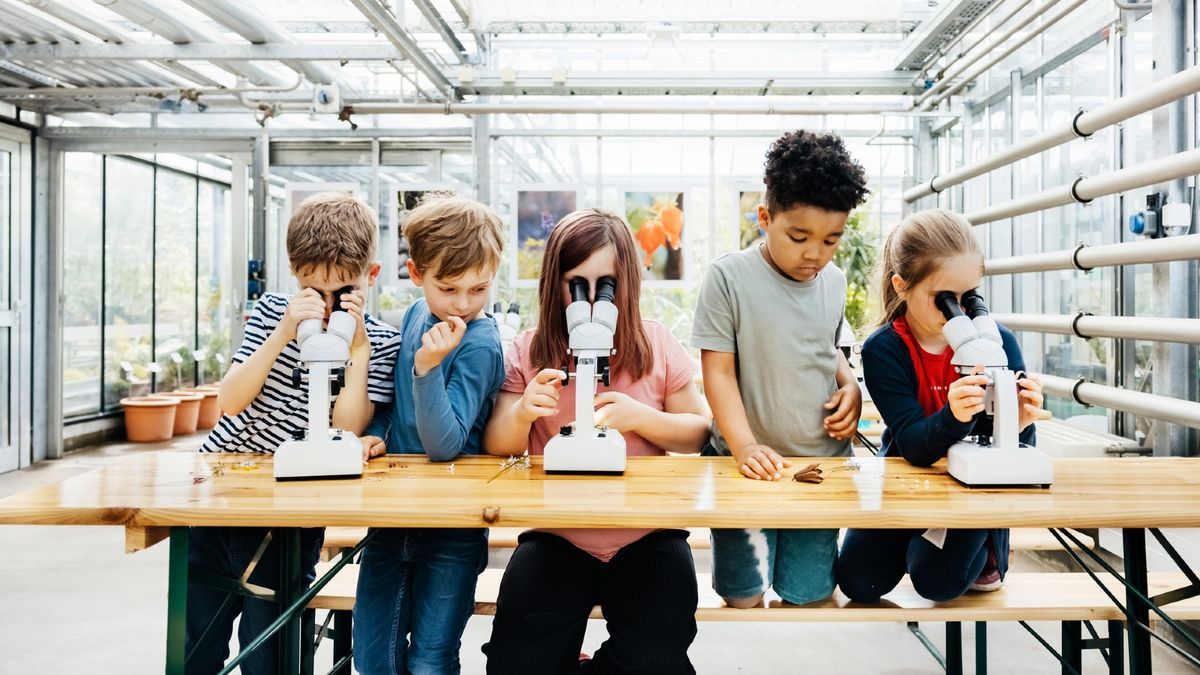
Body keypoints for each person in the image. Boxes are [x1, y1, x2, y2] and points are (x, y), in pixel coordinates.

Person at [482, 209, 710, 674]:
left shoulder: (657, 344)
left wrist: (643, 418)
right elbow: (498, 444)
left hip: (648, 535)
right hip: (557, 537)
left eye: (606, 284)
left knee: (656, 659)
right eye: (577, 284)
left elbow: (698, 431)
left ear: (627, 284)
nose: (590, 300)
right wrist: (524, 409)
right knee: (514, 662)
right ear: (554, 285)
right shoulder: (528, 349)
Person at [187, 192, 400, 674]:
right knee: (197, 642)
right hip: (222, 501)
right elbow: (230, 400)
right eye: (312, 290)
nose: (325, 308)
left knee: (272, 653)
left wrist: (358, 351)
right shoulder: (272, 313)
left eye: (341, 293)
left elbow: (346, 429)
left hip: (293, 516)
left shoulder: (383, 342)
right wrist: (284, 330)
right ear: (293, 274)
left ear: (370, 276)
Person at [692, 129, 868, 608]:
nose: (815, 253)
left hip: (820, 464)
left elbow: (826, 349)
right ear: (765, 219)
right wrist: (745, 446)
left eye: (832, 239)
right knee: (743, 597)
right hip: (744, 465)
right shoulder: (728, 277)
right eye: (799, 236)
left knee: (808, 595)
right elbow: (719, 374)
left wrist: (849, 385)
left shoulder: (832, 280)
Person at [836, 208, 1048, 603]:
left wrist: (1019, 422)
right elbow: (914, 444)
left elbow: (1014, 452)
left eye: (971, 297)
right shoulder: (886, 348)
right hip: (908, 477)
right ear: (902, 286)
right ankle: (920, 540)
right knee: (858, 580)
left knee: (935, 582)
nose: (963, 311)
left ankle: (983, 540)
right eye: (945, 299)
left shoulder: (997, 341)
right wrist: (953, 415)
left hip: (973, 490)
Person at [353, 196, 508, 675]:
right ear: (416, 274)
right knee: (373, 658)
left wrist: (427, 369)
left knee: (430, 661)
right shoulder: (417, 317)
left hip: (451, 525)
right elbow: (394, 404)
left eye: (478, 288)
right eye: (449, 288)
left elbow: (446, 445)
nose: (463, 304)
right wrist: (377, 432)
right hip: (392, 513)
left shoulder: (480, 342)